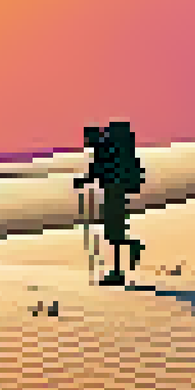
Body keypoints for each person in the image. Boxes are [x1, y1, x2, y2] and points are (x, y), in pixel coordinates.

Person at [75, 121, 146, 285]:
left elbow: (96, 172)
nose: (86, 143)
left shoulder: (102, 149)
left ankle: (118, 270)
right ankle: (124, 259)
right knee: (115, 231)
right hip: (118, 192)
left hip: (113, 194)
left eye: (87, 139)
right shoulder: (107, 148)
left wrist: (83, 182)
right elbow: (97, 172)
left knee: (113, 232)